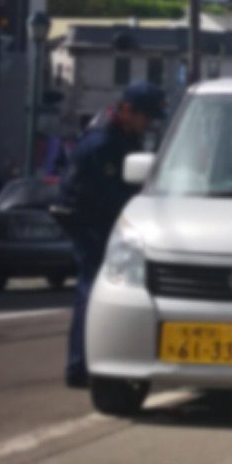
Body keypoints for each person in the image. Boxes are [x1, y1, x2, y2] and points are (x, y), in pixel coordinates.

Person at [59, 80, 166, 390]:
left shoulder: (121, 133)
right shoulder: (103, 142)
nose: (147, 125)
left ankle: (89, 363)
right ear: (127, 110)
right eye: (145, 117)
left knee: (98, 288)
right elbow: (102, 193)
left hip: (107, 221)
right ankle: (79, 366)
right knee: (91, 287)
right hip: (93, 223)